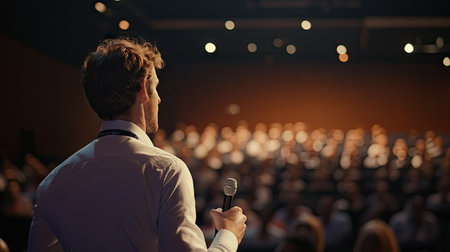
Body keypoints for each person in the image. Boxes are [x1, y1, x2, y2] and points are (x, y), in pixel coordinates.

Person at [27, 37, 247, 251]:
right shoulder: (167, 171)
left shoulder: (52, 182)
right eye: (156, 87)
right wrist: (228, 234)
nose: (159, 99)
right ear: (143, 88)